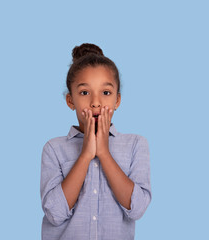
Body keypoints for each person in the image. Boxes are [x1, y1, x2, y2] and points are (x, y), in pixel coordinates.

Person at [40, 43, 151, 240]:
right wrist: (85, 154)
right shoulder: (54, 149)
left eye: (105, 93)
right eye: (84, 92)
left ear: (117, 100)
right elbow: (54, 214)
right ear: (70, 101)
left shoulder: (136, 145)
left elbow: (137, 209)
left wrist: (104, 153)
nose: (96, 102)